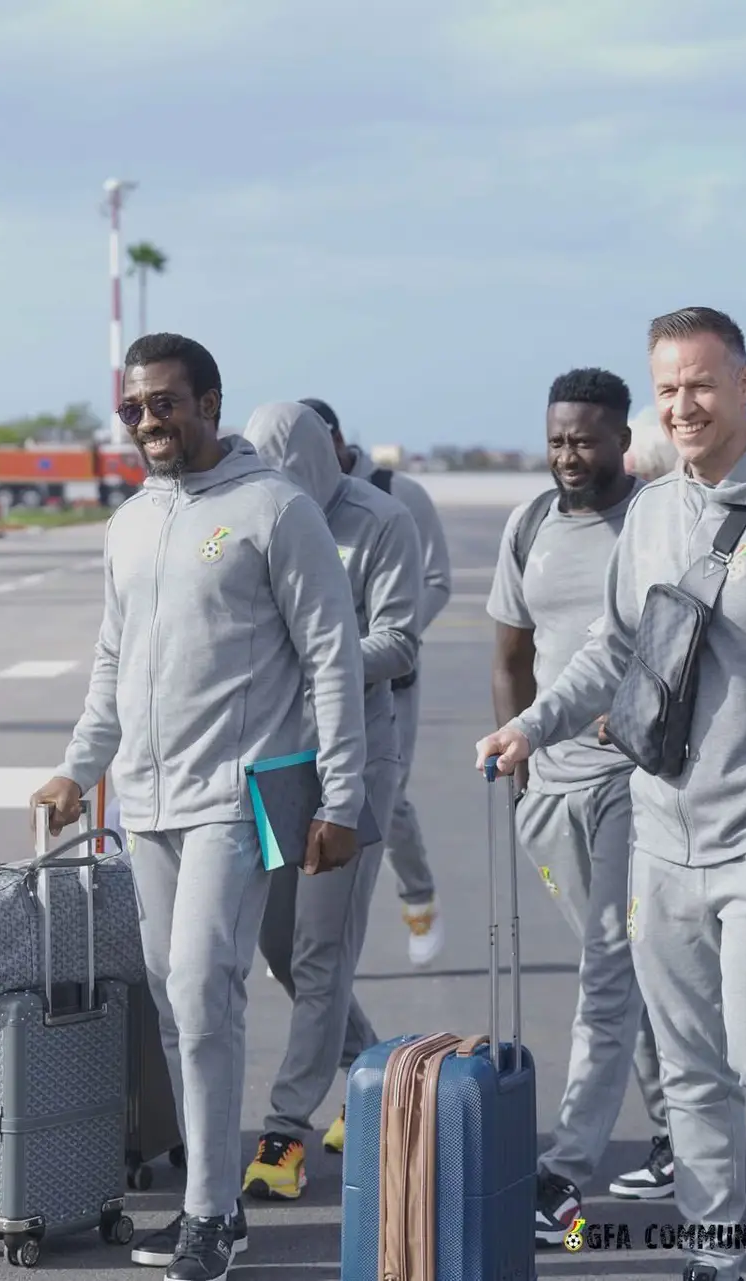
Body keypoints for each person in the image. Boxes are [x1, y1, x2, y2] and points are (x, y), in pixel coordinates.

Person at [477, 308, 746, 1281]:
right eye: (667, 388)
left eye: (701, 383)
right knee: (692, 1066)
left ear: (745, 384)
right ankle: (713, 1251)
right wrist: (534, 722)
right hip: (661, 834)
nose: (683, 405)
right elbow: (612, 650)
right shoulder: (652, 512)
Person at [32, 334, 369, 1281]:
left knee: (202, 985)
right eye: (134, 408)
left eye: (165, 403)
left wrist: (342, 796)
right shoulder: (131, 521)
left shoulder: (275, 509)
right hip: (146, 798)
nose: (147, 421)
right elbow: (112, 660)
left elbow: (333, 658)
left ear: (210, 403)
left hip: (236, 794)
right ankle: (212, 1197)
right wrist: (76, 768)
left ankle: (211, 1216)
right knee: (178, 1005)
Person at [485, 368, 673, 1246]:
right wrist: (517, 756)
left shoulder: (654, 522)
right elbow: (510, 656)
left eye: (585, 440)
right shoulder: (529, 524)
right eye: (557, 438)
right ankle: (675, 1135)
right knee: (629, 973)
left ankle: (563, 1172)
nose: (568, 454)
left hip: (632, 783)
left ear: (622, 440)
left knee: (608, 970)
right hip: (546, 789)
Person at [239, 402, 421, 1201]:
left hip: (355, 762)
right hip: (278, 759)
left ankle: (285, 1129)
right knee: (280, 945)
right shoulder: (255, 517)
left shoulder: (381, 522)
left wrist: (314, 654)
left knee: (320, 951)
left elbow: (401, 641)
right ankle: (373, 1069)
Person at [303, 397, 453, 967]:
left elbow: (435, 580)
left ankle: (418, 896)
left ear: (338, 441)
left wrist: (389, 638)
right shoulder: (294, 499)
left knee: (387, 799)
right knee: (307, 793)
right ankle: (306, 918)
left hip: (385, 679)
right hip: (311, 687)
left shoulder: (397, 496)